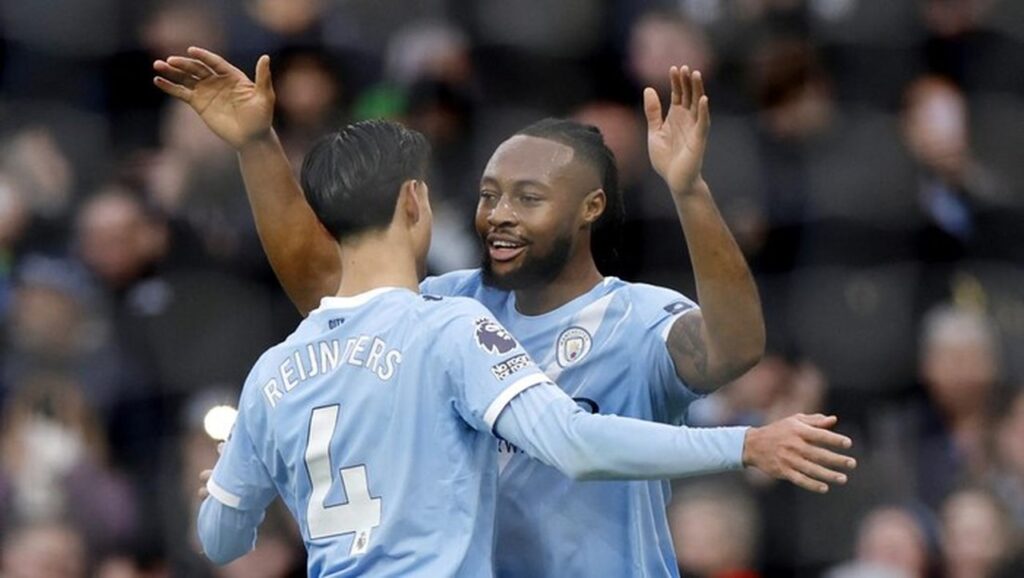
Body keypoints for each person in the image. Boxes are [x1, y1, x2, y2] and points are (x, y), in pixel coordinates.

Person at [153, 48, 857, 576]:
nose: (498, 215)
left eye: (528, 197)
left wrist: (690, 192)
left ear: (590, 208)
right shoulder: (448, 308)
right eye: (489, 195)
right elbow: (328, 286)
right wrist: (257, 145)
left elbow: (735, 348)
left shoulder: (636, 318)